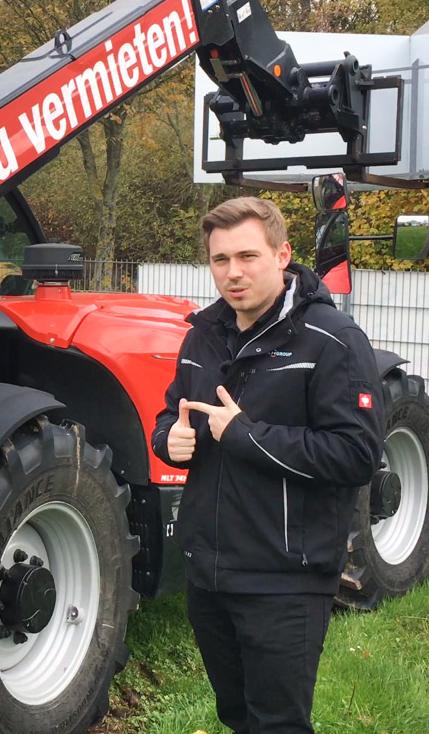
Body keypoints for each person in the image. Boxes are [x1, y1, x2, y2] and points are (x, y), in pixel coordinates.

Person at [151, 196, 384, 734]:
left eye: (248, 256)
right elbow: (173, 412)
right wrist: (170, 438)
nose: (233, 274)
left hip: (285, 578)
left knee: (277, 723)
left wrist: (245, 437)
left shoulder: (332, 340)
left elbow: (356, 454)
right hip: (209, 572)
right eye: (220, 260)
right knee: (236, 716)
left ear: (282, 256)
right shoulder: (201, 335)